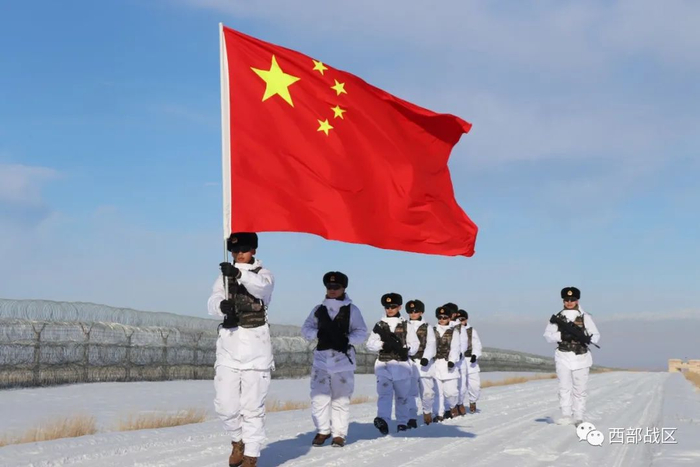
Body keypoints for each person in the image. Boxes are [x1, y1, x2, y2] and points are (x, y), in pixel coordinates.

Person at [207, 232, 275, 467]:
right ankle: (238, 440)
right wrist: (221, 305)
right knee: (225, 405)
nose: (239, 254)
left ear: (253, 250)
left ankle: (251, 455)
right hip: (229, 348)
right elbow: (212, 300)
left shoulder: (263, 274)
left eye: (244, 250)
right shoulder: (224, 276)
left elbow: (261, 290)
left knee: (252, 408)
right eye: (235, 251)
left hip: (256, 352)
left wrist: (239, 274)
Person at [301, 271, 368, 447]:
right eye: (329, 286)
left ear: (343, 288)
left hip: (342, 362)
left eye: (336, 287)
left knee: (341, 400)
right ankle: (323, 430)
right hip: (321, 361)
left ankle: (339, 434)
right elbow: (306, 329)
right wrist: (318, 334)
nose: (332, 290)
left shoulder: (352, 310)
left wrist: (347, 339)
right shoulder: (318, 310)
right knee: (318, 398)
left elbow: (361, 332)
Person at [543, 286, 601, 427]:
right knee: (564, 387)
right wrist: (562, 336)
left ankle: (579, 416)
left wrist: (586, 338)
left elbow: (596, 336)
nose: (569, 302)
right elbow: (547, 336)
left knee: (579, 389)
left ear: (577, 300)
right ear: (563, 301)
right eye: (567, 300)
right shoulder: (558, 317)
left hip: (581, 357)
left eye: (572, 299)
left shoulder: (585, 317)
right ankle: (566, 415)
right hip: (563, 356)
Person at [366, 293, 420, 434]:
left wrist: (405, 348)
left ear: (399, 307)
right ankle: (383, 420)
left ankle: (402, 422)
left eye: (393, 307)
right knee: (384, 395)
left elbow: (415, 345)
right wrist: (383, 344)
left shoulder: (406, 325)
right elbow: (370, 344)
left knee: (402, 397)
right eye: (387, 307)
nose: (390, 309)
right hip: (383, 365)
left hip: (401, 366)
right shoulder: (380, 325)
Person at [405, 299, 437, 427]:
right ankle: (412, 417)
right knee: (411, 393)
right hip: (410, 363)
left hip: (424, 365)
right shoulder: (404, 325)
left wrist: (426, 357)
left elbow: (431, 344)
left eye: (416, 311)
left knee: (427, 392)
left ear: (421, 312)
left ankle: (427, 412)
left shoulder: (427, 327)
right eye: (410, 311)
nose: (413, 313)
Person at [432, 306, 462, 421]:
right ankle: (439, 414)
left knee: (451, 392)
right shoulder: (433, 330)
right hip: (435, 364)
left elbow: (455, 347)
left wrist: (452, 360)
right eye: (440, 317)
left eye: (444, 317)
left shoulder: (454, 332)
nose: (442, 319)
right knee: (437, 393)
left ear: (449, 318)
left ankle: (452, 406)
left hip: (448, 364)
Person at [444, 302, 467, 416]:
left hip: (459, 361)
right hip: (444, 360)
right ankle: (449, 408)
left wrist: (459, 353)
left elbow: (463, 342)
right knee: (447, 386)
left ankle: (460, 403)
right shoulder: (442, 325)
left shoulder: (460, 327)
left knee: (461, 386)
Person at [460, 309, 483, 413]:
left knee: (474, 386)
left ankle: (473, 401)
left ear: (466, 319)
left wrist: (475, 354)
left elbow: (477, 345)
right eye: (458, 319)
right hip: (458, 361)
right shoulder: (453, 330)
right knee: (460, 386)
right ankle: (459, 404)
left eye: (462, 319)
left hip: (470, 361)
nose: (461, 321)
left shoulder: (471, 331)